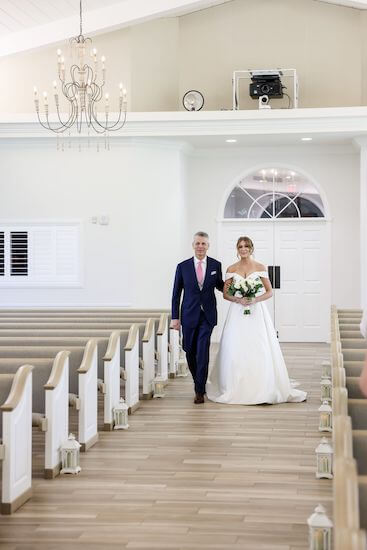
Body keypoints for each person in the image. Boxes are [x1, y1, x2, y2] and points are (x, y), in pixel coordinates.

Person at [206, 236, 307, 405]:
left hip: (257, 312)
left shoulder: (260, 267)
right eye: (240, 246)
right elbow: (225, 294)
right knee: (234, 346)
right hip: (237, 312)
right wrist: (238, 300)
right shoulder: (231, 269)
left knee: (259, 345)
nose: (243, 249)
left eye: (246, 246)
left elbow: (269, 291)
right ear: (237, 249)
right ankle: (234, 385)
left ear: (251, 248)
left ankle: (262, 386)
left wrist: (255, 299)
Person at [171, 231, 224, 403]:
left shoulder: (216, 265)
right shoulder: (182, 266)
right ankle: (198, 381)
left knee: (202, 350)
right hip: (188, 315)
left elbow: (220, 286)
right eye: (198, 243)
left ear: (208, 246)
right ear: (193, 245)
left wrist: (237, 287)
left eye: (204, 244)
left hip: (207, 316)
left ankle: (199, 391)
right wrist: (175, 317)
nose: (201, 246)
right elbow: (176, 294)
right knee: (189, 351)